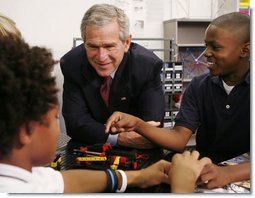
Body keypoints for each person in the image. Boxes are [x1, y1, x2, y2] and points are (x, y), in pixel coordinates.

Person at [0, 35, 213, 193]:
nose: (59, 130)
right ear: (26, 131)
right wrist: (182, 185)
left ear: (126, 43)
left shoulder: (28, 178)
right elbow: (77, 124)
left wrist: (138, 176)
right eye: (55, 118)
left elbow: (64, 182)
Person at [105, 12, 250, 189]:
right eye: (206, 46)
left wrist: (228, 174)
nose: (206, 54)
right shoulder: (199, 86)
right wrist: (137, 124)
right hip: (205, 171)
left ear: (245, 50)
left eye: (216, 47)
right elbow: (179, 138)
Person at [60, 4, 165, 149]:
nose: (101, 57)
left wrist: (96, 129)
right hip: (91, 149)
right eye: (93, 46)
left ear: (126, 43)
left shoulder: (147, 65)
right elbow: (75, 124)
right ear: (84, 43)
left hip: (138, 151)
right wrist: (119, 137)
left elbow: (153, 125)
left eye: (109, 46)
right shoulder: (72, 64)